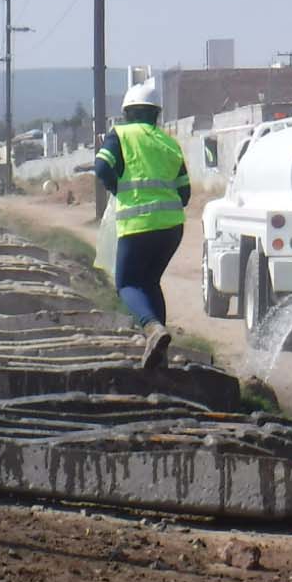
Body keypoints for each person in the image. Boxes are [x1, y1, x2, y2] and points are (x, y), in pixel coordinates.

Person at [94, 78, 192, 368]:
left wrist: (117, 188)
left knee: (126, 283)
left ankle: (152, 328)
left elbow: (101, 168)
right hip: (172, 228)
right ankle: (158, 351)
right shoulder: (169, 142)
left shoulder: (121, 135)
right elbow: (185, 193)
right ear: (156, 114)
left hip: (138, 224)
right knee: (150, 281)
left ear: (127, 113)